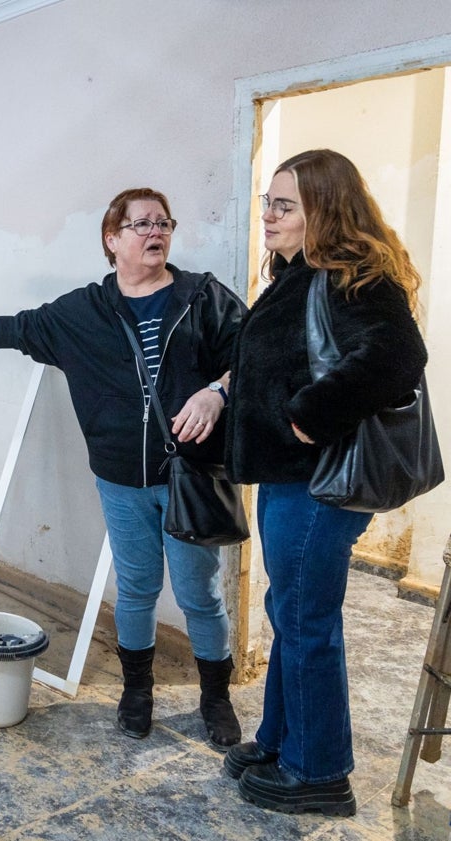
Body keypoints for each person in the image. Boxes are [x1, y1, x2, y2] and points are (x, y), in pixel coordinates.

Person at [0, 188, 249, 749]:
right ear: (112, 240)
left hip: (192, 476)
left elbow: (252, 356)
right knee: (136, 589)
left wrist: (216, 393)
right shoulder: (83, 311)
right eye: (141, 224)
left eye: (163, 222)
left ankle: (216, 699)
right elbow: (14, 329)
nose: (155, 231)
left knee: (199, 594)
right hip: (119, 478)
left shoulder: (203, 297)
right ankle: (137, 691)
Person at [223, 149, 428, 817]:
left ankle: (319, 771)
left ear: (325, 210)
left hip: (319, 483)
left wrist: (310, 417)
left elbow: (398, 354)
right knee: (292, 612)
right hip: (291, 479)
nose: (268, 215)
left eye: (285, 205)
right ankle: (280, 741)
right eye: (267, 202)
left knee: (307, 619)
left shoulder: (351, 275)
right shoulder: (300, 275)